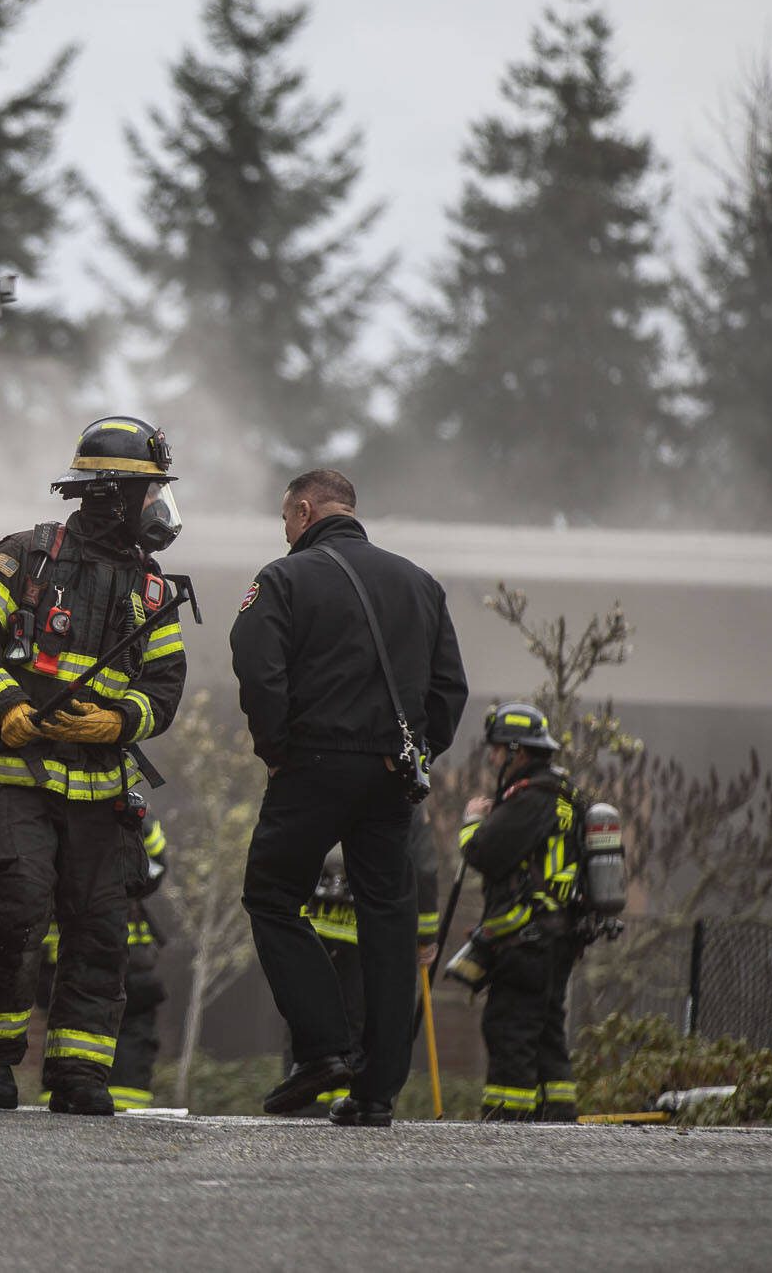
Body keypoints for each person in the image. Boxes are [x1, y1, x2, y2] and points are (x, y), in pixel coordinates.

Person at [0, 417, 188, 1116]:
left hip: (100, 788)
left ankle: (79, 1072)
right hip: (18, 774)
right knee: (21, 902)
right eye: (149, 493)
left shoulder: (153, 590)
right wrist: (4, 707)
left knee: (100, 924)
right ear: (112, 495)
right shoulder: (27, 557)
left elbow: (165, 686)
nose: (160, 509)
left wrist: (120, 720)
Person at [230, 468, 467, 1127]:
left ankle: (322, 1049)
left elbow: (256, 665)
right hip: (394, 773)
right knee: (388, 919)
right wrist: (419, 751)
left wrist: (277, 750)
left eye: (285, 520)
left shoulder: (282, 580)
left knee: (272, 896)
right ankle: (376, 1090)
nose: (285, 532)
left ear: (304, 510)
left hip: (311, 765)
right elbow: (450, 690)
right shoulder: (421, 585)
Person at [451, 703, 584, 1122]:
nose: (491, 759)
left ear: (517, 751)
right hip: (558, 934)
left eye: (495, 750)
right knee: (545, 1032)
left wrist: (472, 820)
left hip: (526, 939)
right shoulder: (566, 797)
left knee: (510, 1029)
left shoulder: (532, 798)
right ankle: (556, 1122)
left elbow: (484, 853)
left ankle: (507, 1128)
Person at [288, 814, 442, 1115]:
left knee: (309, 1015)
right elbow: (422, 869)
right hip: (363, 930)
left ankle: (305, 1103)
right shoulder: (404, 795)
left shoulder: (326, 779)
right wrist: (424, 935)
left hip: (314, 925)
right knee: (358, 1023)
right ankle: (349, 1103)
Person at [28, 806, 172, 1111]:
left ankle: (98, 1105)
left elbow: (155, 861)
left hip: (116, 960)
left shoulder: (122, 807)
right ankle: (79, 1098)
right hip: (96, 955)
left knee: (75, 1029)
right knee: (86, 1029)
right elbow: (156, 863)